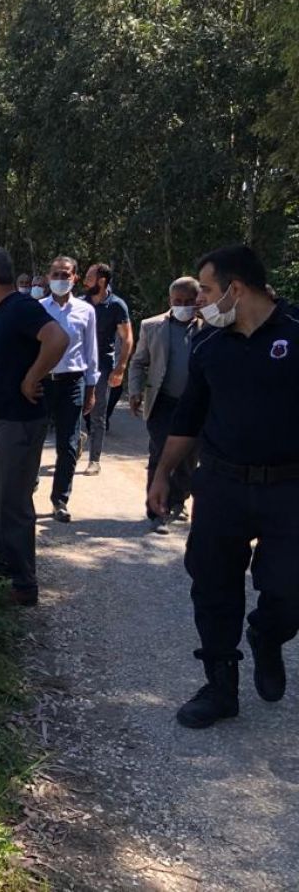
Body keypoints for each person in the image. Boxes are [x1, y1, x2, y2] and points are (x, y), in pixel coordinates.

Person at [148, 244, 299, 729]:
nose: (200, 302)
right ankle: (219, 686)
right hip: (221, 485)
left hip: (288, 489)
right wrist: (163, 474)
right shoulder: (209, 345)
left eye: (207, 291)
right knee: (213, 585)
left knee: (289, 588)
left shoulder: (295, 332)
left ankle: (268, 634)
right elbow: (188, 417)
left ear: (236, 288)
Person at [0, 246, 68, 606]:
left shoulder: (22, 307)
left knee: (12, 504)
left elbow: (58, 339)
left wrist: (32, 377)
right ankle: (0, 569)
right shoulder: (0, 313)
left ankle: (23, 584)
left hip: (17, 424)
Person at [128, 277, 201, 534]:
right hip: (162, 402)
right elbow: (138, 362)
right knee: (161, 453)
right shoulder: (152, 326)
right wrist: (135, 390)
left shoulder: (211, 328)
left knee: (188, 458)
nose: (183, 306)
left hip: (195, 405)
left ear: (198, 301)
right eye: (177, 302)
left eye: (188, 302)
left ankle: (177, 502)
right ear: (170, 301)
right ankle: (156, 510)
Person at [39, 257, 99, 523]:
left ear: (75, 278)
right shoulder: (38, 308)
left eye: (66, 274)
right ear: (47, 276)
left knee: (69, 444)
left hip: (72, 382)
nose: (61, 278)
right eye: (56, 274)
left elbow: (91, 351)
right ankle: (28, 487)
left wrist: (91, 387)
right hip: (42, 381)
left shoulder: (86, 311)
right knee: (34, 438)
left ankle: (60, 500)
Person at [81, 263, 133, 475]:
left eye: (89, 277)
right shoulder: (80, 303)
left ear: (101, 281)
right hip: (78, 364)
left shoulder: (117, 305)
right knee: (72, 410)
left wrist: (120, 368)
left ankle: (94, 460)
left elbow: (127, 338)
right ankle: (76, 443)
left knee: (98, 414)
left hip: (102, 365)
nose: (85, 281)